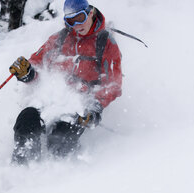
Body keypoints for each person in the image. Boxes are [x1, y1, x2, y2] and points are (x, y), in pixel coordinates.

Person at [9, 0, 122, 164]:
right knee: (27, 120)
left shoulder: (105, 43)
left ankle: (60, 176)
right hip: (51, 97)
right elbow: (37, 63)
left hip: (79, 103)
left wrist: (94, 109)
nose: (76, 25)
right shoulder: (60, 38)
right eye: (71, 21)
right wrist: (27, 72)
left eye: (80, 18)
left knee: (61, 136)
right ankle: (22, 169)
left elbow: (113, 84)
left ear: (90, 13)